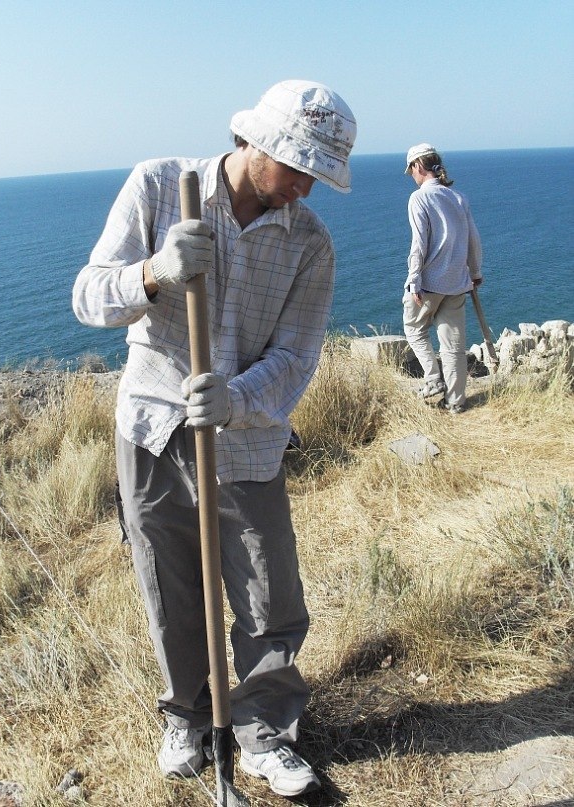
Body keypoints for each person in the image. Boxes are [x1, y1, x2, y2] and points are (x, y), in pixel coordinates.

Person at [72, 79, 356, 798]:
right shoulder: (162, 187)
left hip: (247, 442)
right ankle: (189, 718)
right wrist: (155, 273)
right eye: (297, 168)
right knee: (170, 586)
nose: (304, 189)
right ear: (254, 143)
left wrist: (235, 398)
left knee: (267, 593)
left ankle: (265, 733)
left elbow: (296, 358)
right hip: (152, 427)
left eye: (316, 175)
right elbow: (87, 296)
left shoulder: (309, 245)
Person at [403, 143, 483, 413]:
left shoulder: (420, 198)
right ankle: (456, 403)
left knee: (414, 329)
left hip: (428, 283)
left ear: (418, 166)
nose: (411, 176)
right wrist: (476, 271)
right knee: (453, 346)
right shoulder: (458, 197)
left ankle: (433, 378)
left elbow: (419, 243)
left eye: (411, 171)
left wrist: (414, 278)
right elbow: (473, 239)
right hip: (457, 282)